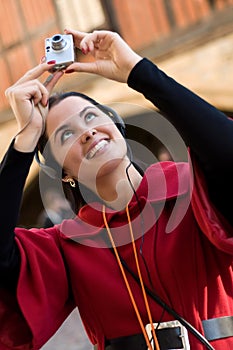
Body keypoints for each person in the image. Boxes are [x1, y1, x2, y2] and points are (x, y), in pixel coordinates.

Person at [1, 28, 233, 350]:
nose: (87, 132)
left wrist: (140, 73)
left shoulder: (191, 191)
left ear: (118, 127)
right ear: (61, 172)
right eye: (65, 135)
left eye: (91, 116)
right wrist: (24, 139)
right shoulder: (66, 246)